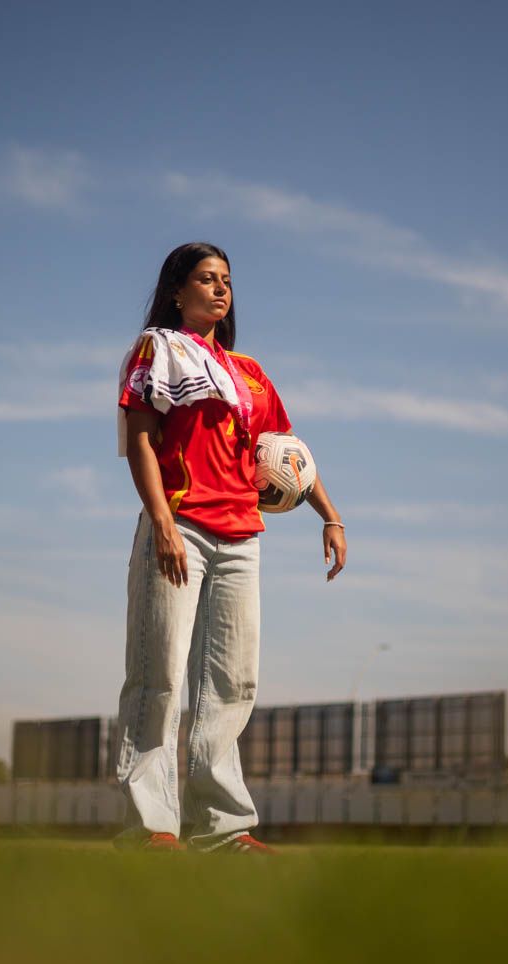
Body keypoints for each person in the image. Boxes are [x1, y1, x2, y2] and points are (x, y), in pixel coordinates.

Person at [114, 242, 347, 853]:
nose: (221, 290)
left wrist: (331, 516)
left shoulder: (248, 370)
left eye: (227, 281)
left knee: (232, 684)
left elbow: (289, 450)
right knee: (157, 677)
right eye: (206, 279)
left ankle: (220, 831)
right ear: (176, 290)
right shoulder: (156, 350)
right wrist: (162, 523)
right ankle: (152, 827)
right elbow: (140, 441)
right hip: (181, 527)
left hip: (243, 537)